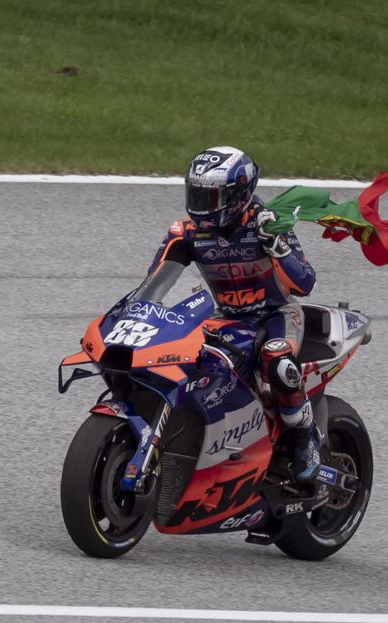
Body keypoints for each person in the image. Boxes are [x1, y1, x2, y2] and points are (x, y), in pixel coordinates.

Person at [134, 146, 322, 481]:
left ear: (238, 195)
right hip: (227, 318)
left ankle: (306, 435)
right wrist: (140, 315)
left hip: (276, 314)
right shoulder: (186, 232)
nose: (201, 205)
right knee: (187, 361)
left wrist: (277, 246)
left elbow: (305, 283)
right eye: (197, 194)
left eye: (211, 197)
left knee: (277, 360)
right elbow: (154, 284)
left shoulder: (269, 223)